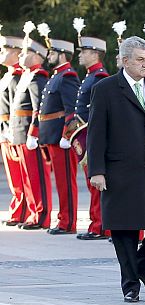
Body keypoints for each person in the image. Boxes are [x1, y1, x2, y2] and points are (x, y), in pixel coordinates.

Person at [86, 36, 145, 303]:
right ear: (125, 61)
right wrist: (97, 170)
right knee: (124, 229)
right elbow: (96, 132)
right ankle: (130, 284)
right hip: (121, 170)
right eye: (140, 59)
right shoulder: (106, 88)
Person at [30, 39, 80, 235]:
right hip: (51, 135)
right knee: (60, 181)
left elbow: (71, 109)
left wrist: (67, 135)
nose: (48, 56)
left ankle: (68, 222)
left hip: (61, 137)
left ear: (62, 55)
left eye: (52, 53)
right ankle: (63, 219)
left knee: (66, 181)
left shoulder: (68, 76)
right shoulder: (57, 76)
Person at [74, 36, 110, 240]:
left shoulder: (99, 77)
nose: (80, 55)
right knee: (91, 183)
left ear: (95, 53)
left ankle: (100, 226)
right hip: (84, 133)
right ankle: (96, 223)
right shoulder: (90, 75)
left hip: (91, 134)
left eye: (84, 52)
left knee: (96, 184)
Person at [13, 39, 51, 230]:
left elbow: (39, 108)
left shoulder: (38, 77)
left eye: (25, 52)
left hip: (29, 131)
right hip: (20, 130)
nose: (20, 55)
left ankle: (41, 215)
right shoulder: (28, 76)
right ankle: (33, 213)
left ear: (36, 55)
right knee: (27, 177)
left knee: (37, 177)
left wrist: (33, 133)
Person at [0, 36, 28, 227]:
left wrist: (10, 129)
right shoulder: (8, 75)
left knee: (20, 175)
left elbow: (16, 107)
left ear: (16, 53)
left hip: (14, 129)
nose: (2, 54)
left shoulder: (18, 76)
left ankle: (23, 210)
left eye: (5, 50)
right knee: (13, 177)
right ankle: (17, 209)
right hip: (5, 129)